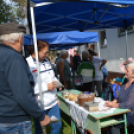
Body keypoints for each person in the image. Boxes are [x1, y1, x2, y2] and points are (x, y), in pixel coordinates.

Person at [0, 23, 50, 134]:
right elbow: (22, 94)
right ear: (19, 39)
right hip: (14, 122)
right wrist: (41, 116)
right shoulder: (13, 58)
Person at [26, 40, 62, 134]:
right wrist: (46, 87)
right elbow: (28, 87)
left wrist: (57, 83)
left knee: (57, 126)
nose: (46, 55)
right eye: (44, 52)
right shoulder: (28, 64)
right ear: (36, 50)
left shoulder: (46, 61)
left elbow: (52, 76)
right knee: (40, 130)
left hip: (53, 103)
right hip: (39, 105)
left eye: (47, 52)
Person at [104, 63, 134, 134]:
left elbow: (128, 105)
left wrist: (112, 105)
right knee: (107, 119)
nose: (125, 72)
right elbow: (118, 97)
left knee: (113, 124)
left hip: (131, 115)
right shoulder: (124, 82)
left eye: (127, 70)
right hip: (122, 111)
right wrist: (113, 102)